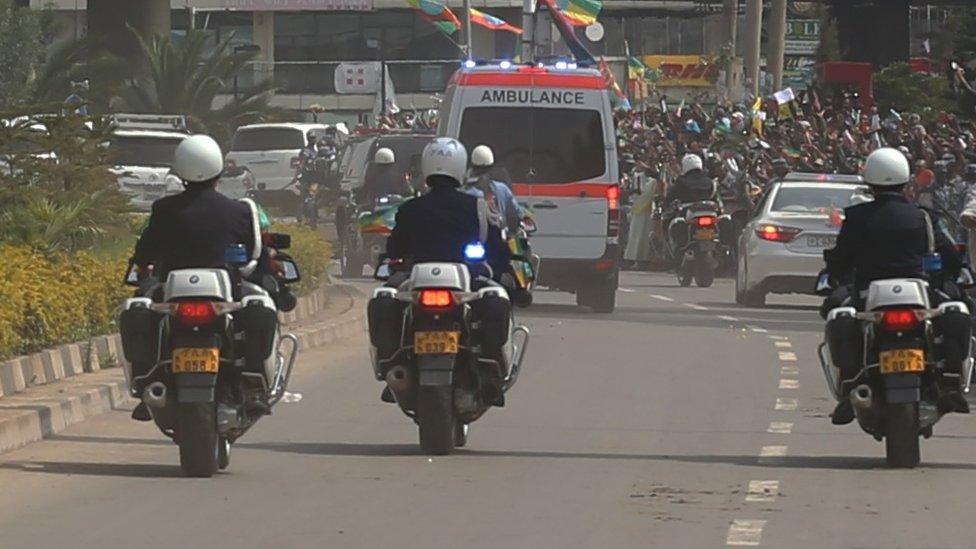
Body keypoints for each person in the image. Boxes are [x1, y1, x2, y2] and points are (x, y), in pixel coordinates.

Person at [823, 147, 971, 425]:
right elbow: (950, 255)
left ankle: (849, 385)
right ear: (906, 179)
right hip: (918, 292)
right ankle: (951, 379)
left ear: (869, 180)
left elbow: (840, 258)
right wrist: (956, 271)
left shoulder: (856, 217)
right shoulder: (923, 216)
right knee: (959, 308)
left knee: (835, 311)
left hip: (869, 293)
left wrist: (831, 273)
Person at [368, 138, 514, 403]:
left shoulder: (410, 208)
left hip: (417, 279)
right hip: (466, 280)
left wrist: (398, 260)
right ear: (461, 168)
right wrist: (501, 270)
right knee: (498, 299)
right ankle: (493, 370)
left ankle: (390, 362)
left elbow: (395, 247)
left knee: (384, 298)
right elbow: (498, 248)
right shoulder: (477, 207)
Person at [463, 145, 523, 233]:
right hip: (497, 239)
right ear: (491, 166)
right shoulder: (502, 189)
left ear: (472, 167)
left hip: (474, 238)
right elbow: (515, 214)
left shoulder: (465, 193)